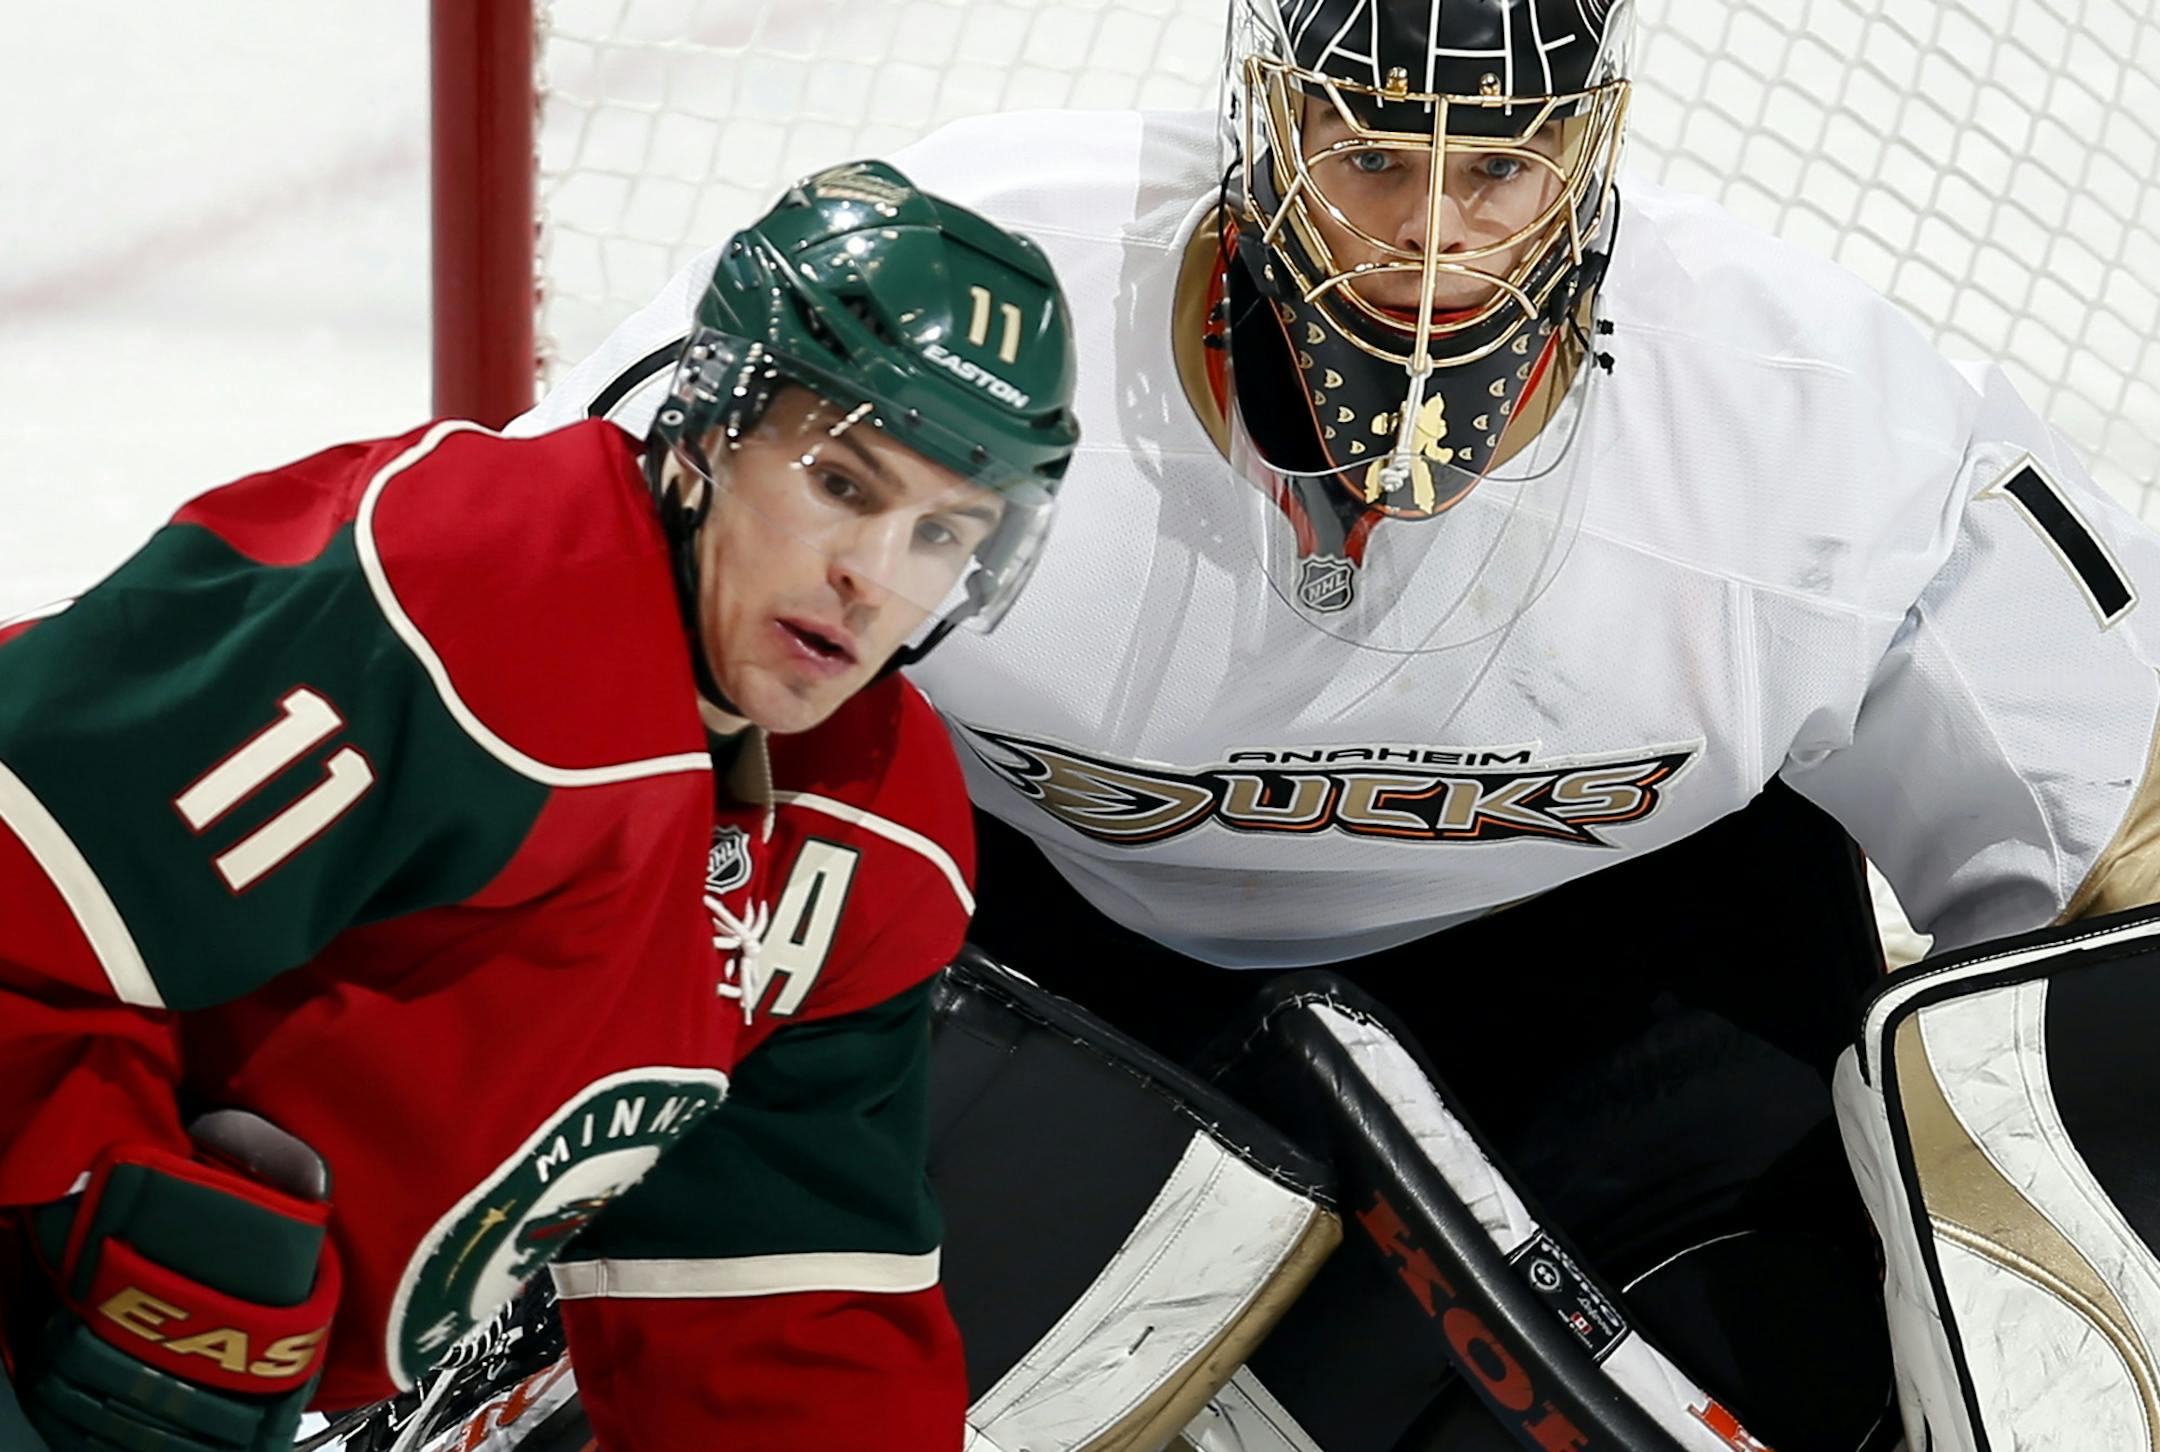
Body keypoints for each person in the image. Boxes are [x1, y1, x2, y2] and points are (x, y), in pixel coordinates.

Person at [515, 1, 2160, 1446]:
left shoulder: (1823, 424)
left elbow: (2121, 875)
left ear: (1586, 153)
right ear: (1268, 118)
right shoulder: (974, 303)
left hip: (1605, 982)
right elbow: (543, 625)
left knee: (1789, 1351)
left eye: (1497, 166)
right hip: (1037, 946)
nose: (1432, 239)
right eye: (1371, 155)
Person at [0, 159, 1079, 1452]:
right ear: (711, 421)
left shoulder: (877, 830)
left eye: (945, 534)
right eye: (843, 486)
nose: (873, 576)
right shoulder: (454, 599)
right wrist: (97, 1204)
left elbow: (784, 1304)